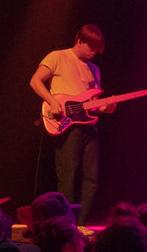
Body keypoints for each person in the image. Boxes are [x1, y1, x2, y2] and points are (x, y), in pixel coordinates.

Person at [30, 25, 116, 222]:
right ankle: (66, 223)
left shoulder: (94, 69)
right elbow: (35, 81)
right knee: (68, 175)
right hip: (66, 125)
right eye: (91, 47)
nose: (94, 52)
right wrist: (52, 101)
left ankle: (81, 222)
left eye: (97, 49)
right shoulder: (57, 57)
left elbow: (92, 105)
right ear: (79, 40)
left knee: (91, 177)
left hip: (89, 126)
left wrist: (106, 108)